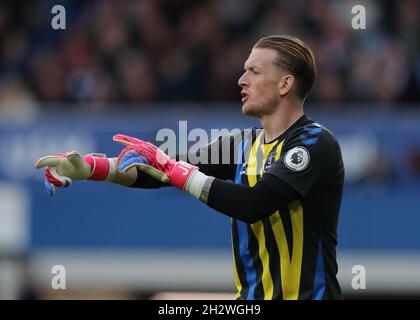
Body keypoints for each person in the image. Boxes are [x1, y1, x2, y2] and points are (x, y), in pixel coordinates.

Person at [35, 35, 345, 300]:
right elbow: (159, 173)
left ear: (285, 84)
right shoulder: (242, 144)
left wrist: (175, 170)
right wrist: (91, 168)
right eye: (243, 70)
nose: (242, 79)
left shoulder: (315, 144)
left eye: (254, 71)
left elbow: (254, 203)